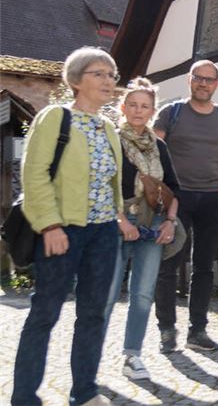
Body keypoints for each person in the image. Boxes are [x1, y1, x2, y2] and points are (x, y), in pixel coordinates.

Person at [13, 47, 136, 406]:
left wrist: (117, 219)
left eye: (112, 75)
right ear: (76, 80)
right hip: (62, 230)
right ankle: (24, 397)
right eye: (99, 73)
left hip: (102, 234)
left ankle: (84, 392)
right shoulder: (56, 117)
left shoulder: (109, 127)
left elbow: (111, 184)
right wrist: (50, 225)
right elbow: (33, 174)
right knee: (45, 313)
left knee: (94, 313)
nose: (108, 81)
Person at [153, 60, 218, 353]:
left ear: (216, 84)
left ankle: (198, 330)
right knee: (169, 264)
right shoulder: (171, 113)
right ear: (189, 81)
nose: (203, 83)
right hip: (177, 200)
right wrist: (164, 194)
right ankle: (166, 329)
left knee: (204, 266)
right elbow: (153, 154)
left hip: (212, 199)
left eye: (209, 79)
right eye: (198, 78)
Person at [102, 78, 181, 380]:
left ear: (152, 111)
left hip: (152, 225)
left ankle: (132, 356)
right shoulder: (110, 138)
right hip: (114, 223)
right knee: (106, 294)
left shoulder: (158, 145)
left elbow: (173, 188)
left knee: (143, 294)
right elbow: (101, 185)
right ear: (123, 107)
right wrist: (120, 220)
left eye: (144, 106)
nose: (138, 110)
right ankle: (89, 356)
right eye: (132, 104)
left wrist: (170, 223)